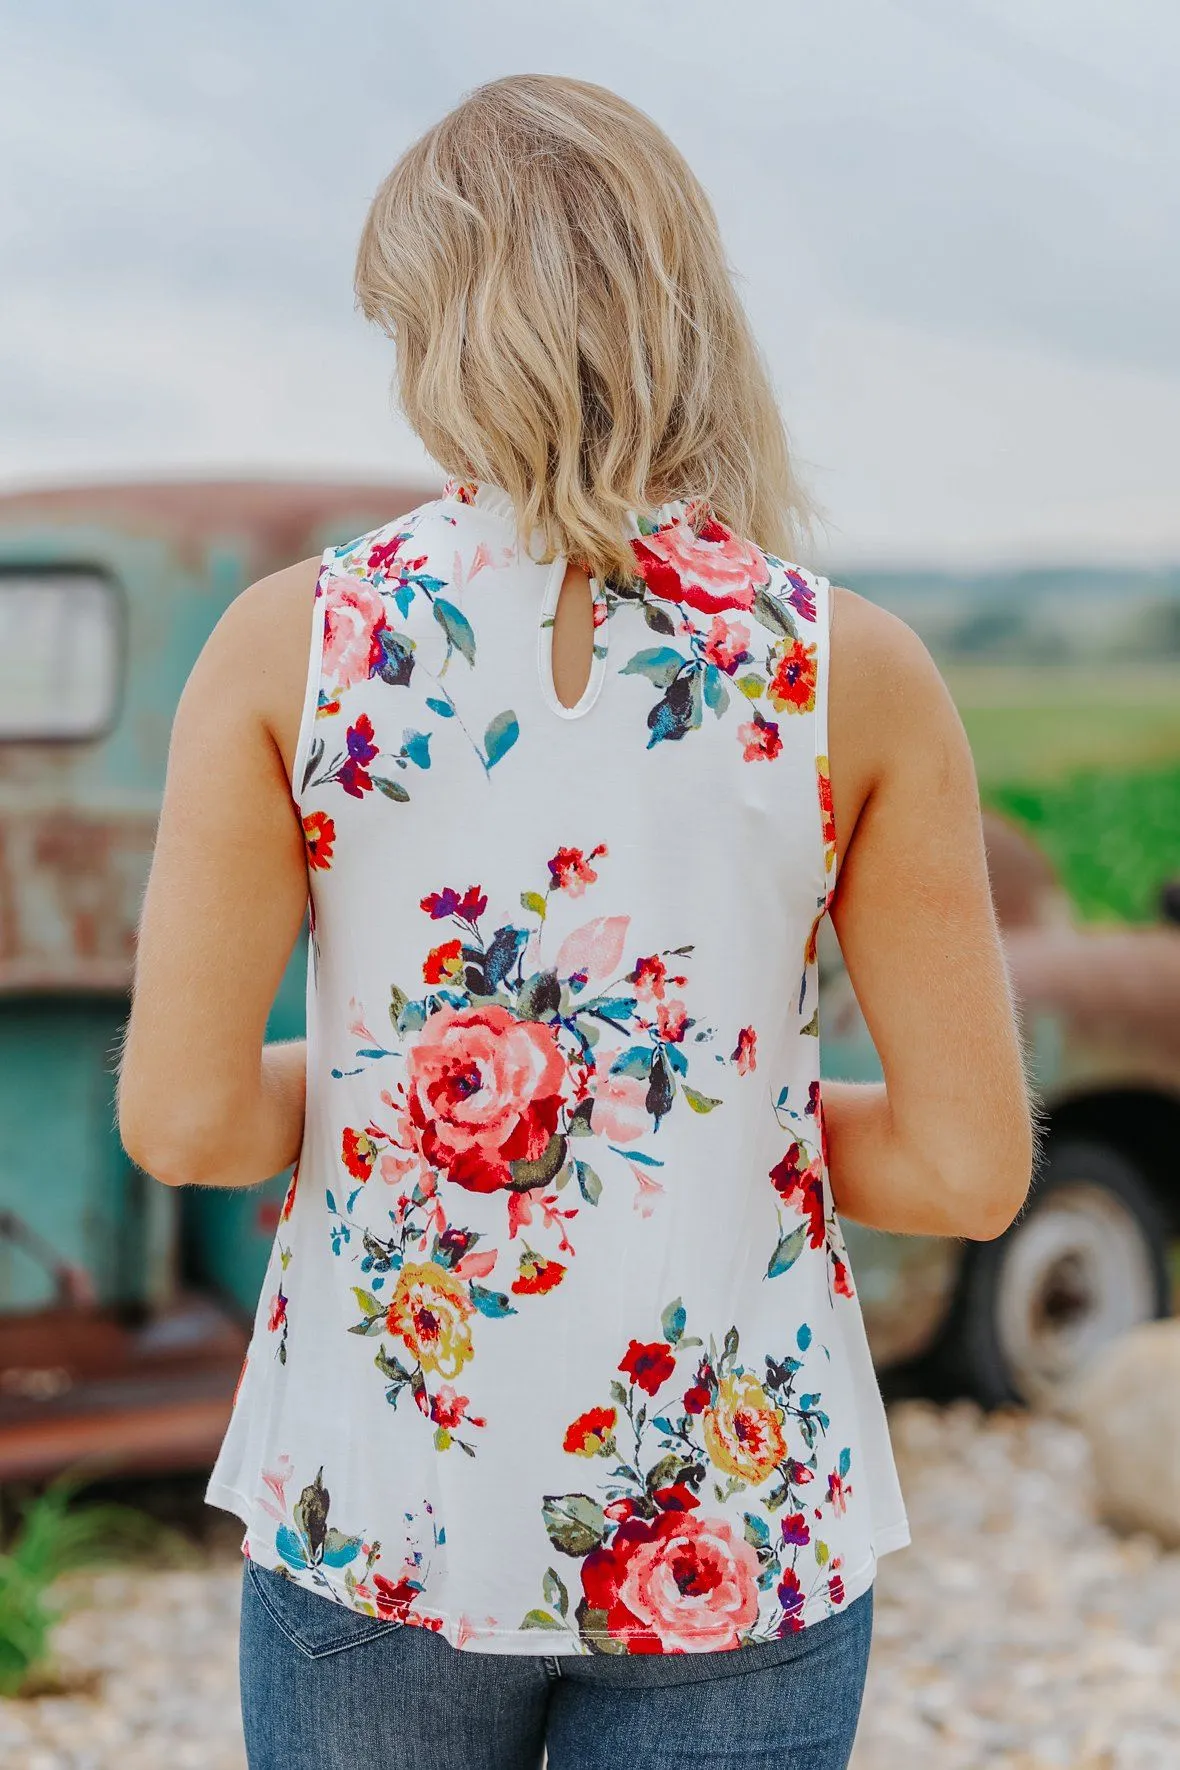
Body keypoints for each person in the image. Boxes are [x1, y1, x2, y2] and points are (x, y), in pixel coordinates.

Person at [118, 73, 1033, 1770]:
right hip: (734, 1527)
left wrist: (413, 1102)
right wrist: (708, 1110)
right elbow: (970, 1172)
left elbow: (180, 1125)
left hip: (377, 1501)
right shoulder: (856, 672)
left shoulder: (282, 648)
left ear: (436, 338)